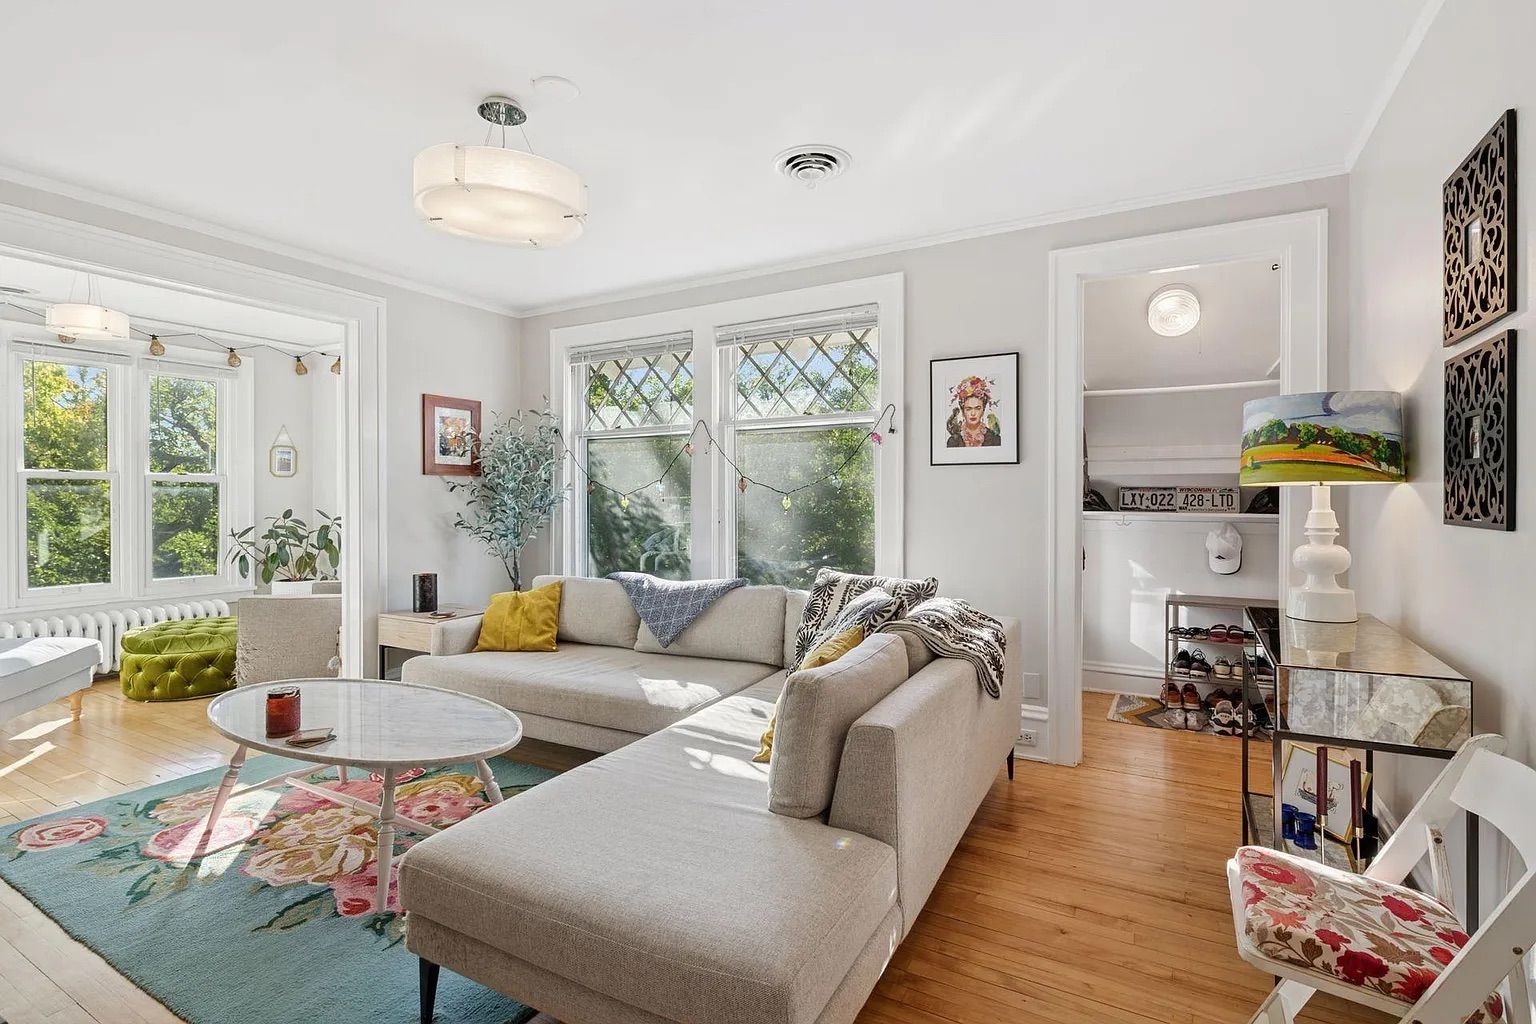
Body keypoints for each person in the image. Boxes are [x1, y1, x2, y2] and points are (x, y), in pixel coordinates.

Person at [946, 374, 1002, 448]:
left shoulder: (995, 439)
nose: (973, 413)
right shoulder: (954, 441)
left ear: (983, 410)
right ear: (963, 412)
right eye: (968, 409)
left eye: (977, 408)